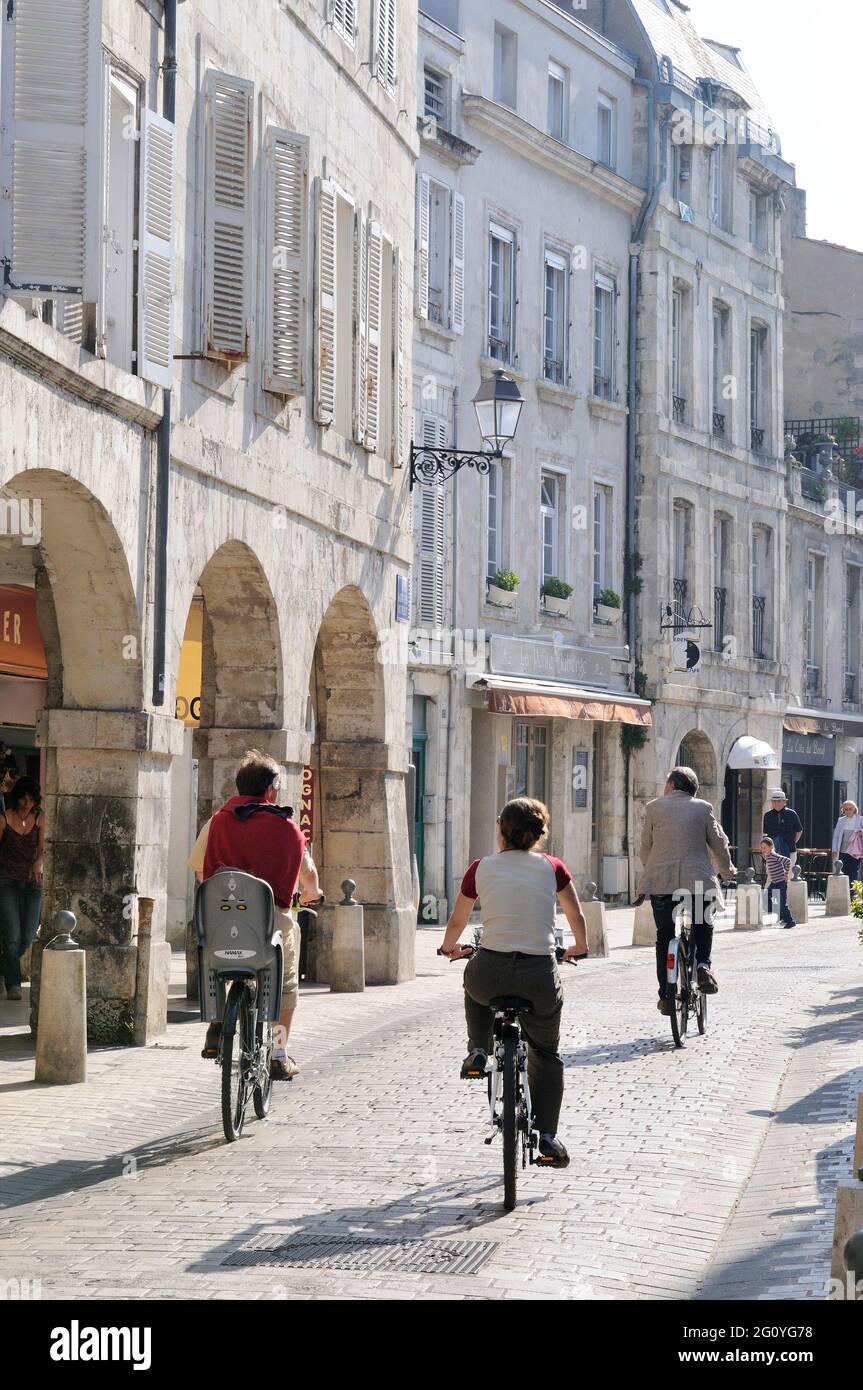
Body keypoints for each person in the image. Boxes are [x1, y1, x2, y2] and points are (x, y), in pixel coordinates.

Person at [438, 797, 588, 1169]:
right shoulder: (553, 867)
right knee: (547, 1053)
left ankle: (478, 1049)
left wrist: (447, 946)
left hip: (490, 969)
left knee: (472, 982)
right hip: (539, 974)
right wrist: (580, 947)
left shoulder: (481, 868)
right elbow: (576, 913)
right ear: (539, 835)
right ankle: (548, 1137)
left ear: (501, 832)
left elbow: (458, 919)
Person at [201, 750, 321, 1080]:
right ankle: (279, 1053)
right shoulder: (288, 829)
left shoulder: (218, 821)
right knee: (286, 984)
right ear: (271, 790)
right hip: (271, 927)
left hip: (221, 921)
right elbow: (307, 877)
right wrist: (313, 895)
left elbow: (203, 872)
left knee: (215, 960)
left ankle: (216, 1022)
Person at [639, 766, 735, 1016]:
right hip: (697, 881)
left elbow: (645, 849)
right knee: (703, 921)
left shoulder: (653, 807)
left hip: (661, 882)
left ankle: (665, 996)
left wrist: (650, 874)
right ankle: (703, 965)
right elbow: (719, 844)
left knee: (663, 936)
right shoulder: (703, 808)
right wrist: (726, 871)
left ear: (671, 785)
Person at [0, 776, 45, 1002]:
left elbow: (45, 848)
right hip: (7, 881)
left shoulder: (40, 819)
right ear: (17, 798)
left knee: (28, 936)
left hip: (33, 884)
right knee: (12, 936)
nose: (26, 803)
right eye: (23, 799)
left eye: (30, 799)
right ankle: (13, 984)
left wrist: (38, 862)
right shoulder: (5, 818)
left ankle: (3, 967)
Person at [760, 835, 796, 929]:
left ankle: (790, 921)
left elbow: (787, 861)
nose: (763, 850)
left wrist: (786, 874)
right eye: (762, 848)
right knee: (765, 900)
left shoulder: (774, 855)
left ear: (771, 847)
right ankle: (779, 913)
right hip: (774, 882)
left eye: (765, 848)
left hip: (781, 883)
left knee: (782, 903)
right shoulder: (767, 856)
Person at [762, 789, 802, 862]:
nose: (776, 803)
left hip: (790, 851)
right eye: (774, 801)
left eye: (779, 801)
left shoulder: (792, 814)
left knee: (789, 873)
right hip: (772, 852)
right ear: (771, 802)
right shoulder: (767, 816)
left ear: (784, 802)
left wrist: (792, 842)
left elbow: (799, 831)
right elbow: (766, 833)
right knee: (772, 873)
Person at [831, 799, 863, 882]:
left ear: (854, 809)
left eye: (850, 809)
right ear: (843, 810)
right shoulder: (841, 820)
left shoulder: (860, 819)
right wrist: (834, 850)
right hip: (843, 850)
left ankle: (852, 893)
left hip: (855, 851)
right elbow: (836, 836)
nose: (848, 811)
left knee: (853, 872)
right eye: (846, 809)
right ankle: (844, 892)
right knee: (843, 871)